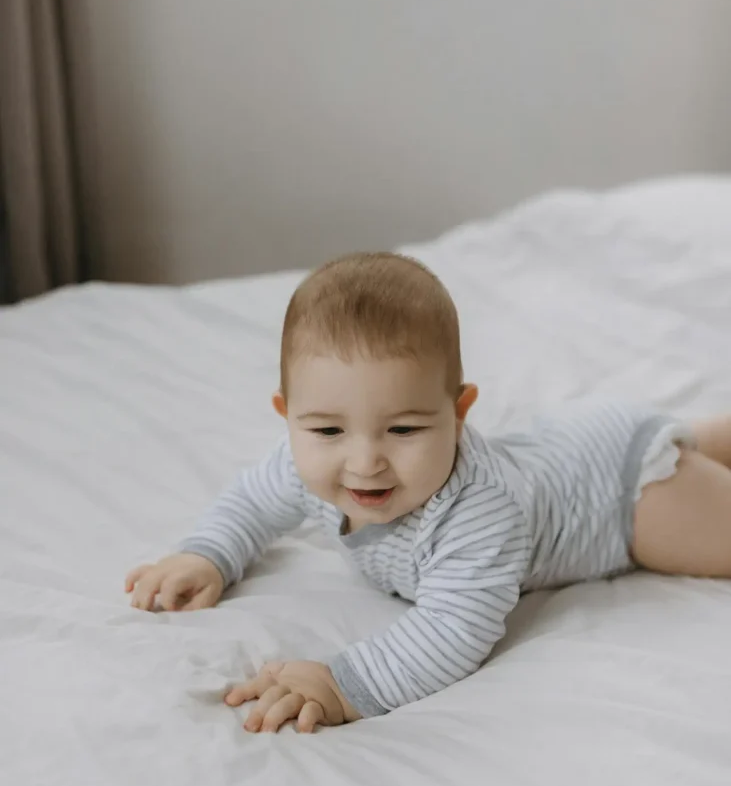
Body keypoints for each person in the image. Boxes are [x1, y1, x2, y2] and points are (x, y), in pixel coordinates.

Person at [125, 252, 731, 734]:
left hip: (627, 496)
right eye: (328, 431)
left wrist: (342, 685)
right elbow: (251, 502)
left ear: (458, 412)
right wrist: (207, 553)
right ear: (288, 416)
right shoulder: (299, 461)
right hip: (576, 444)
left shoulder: (479, 510)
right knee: (690, 445)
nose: (365, 463)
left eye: (404, 430)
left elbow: (454, 627)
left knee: (700, 502)